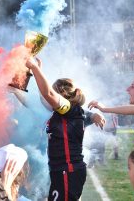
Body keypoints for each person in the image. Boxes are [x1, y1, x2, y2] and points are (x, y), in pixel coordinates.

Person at [25, 57, 93, 201]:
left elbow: (47, 94)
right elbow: (44, 98)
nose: (51, 98)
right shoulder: (65, 111)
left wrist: (35, 68)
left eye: (54, 93)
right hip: (62, 171)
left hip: (68, 171)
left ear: (61, 95)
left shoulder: (68, 108)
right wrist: (37, 71)